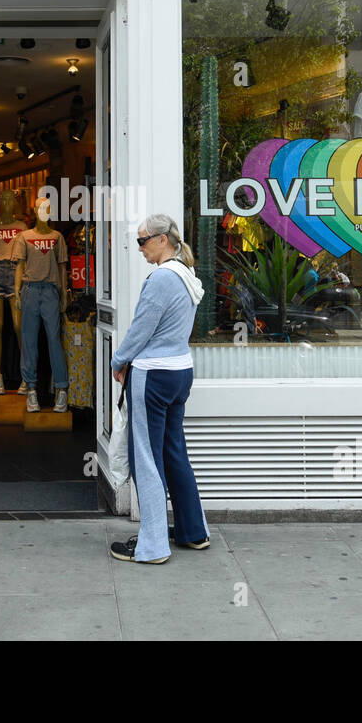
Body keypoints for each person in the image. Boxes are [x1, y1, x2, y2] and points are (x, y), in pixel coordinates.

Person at [109, 213, 210, 564]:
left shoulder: (161, 279)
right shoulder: (186, 274)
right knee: (172, 451)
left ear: (163, 239)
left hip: (153, 374)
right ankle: (193, 532)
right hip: (180, 371)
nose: (139, 248)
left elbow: (141, 329)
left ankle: (151, 546)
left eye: (142, 241)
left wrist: (118, 360)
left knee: (146, 459)